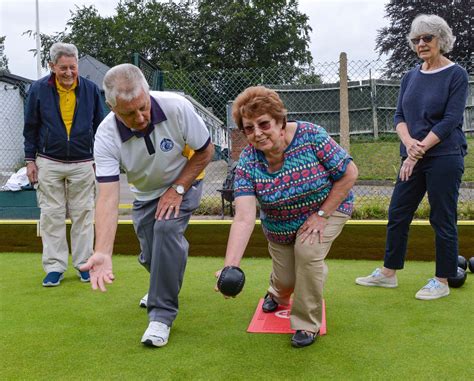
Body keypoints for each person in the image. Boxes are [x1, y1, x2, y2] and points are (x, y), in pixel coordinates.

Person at [80, 64, 214, 348]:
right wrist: (102, 251)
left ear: (147, 93)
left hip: (185, 178)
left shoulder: (177, 107)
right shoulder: (105, 137)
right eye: (129, 113)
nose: (140, 117)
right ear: (112, 107)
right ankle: (160, 283)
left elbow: (205, 151)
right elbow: (107, 197)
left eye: (143, 107)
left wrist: (178, 188)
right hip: (145, 193)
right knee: (151, 254)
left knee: (166, 231)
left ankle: (161, 316)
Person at [215, 86, 358, 348]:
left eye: (264, 123)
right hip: (280, 226)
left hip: (329, 207)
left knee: (307, 250)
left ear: (281, 121)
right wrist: (230, 266)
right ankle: (278, 294)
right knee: (286, 280)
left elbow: (350, 173)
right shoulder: (248, 162)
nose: (257, 133)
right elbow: (245, 217)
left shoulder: (311, 136)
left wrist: (321, 215)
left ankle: (306, 324)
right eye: (249, 128)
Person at [355, 15, 469, 300]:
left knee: (442, 218)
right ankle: (388, 273)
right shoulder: (410, 76)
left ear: (441, 40)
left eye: (427, 38)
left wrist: (417, 151)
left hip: (444, 155)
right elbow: (400, 116)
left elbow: (450, 120)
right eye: (416, 39)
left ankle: (442, 280)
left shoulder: (457, 75)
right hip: (412, 156)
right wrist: (408, 143)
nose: (421, 44)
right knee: (398, 212)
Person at [23, 42, 104, 287]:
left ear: (77, 65)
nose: (68, 73)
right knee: (51, 215)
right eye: (63, 68)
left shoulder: (91, 89)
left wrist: (99, 159)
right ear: (52, 66)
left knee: (83, 214)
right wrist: (30, 160)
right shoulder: (37, 90)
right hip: (48, 161)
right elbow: (30, 128)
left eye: (73, 67)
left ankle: (84, 264)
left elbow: (101, 127)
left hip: (83, 162)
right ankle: (54, 267)